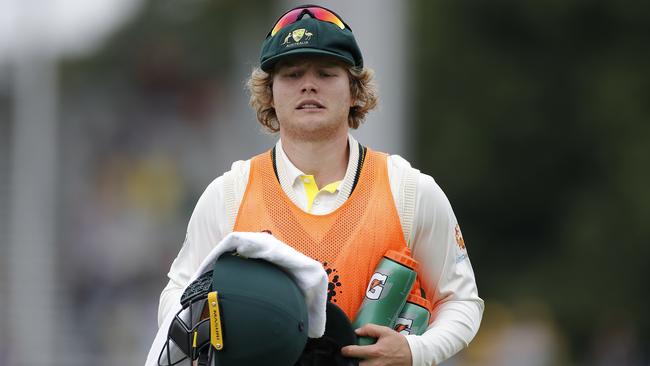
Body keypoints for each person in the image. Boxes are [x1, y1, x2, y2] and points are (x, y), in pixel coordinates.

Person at [157, 5, 484, 366]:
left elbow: (461, 301)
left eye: (326, 73)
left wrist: (413, 351)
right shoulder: (228, 196)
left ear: (355, 91)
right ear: (269, 95)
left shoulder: (410, 191)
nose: (308, 84)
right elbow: (179, 295)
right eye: (292, 74)